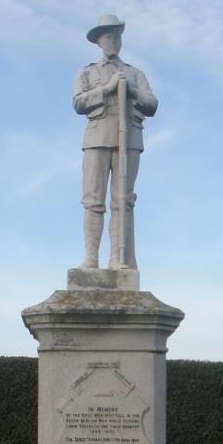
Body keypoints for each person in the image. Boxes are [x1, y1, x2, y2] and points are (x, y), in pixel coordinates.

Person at [73, 14, 157, 270]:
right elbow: (78, 102)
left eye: (117, 36)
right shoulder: (87, 72)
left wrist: (131, 90)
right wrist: (107, 88)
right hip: (97, 138)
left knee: (123, 201)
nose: (114, 41)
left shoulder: (134, 73)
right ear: (99, 41)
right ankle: (90, 259)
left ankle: (119, 260)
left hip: (129, 139)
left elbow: (152, 104)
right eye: (109, 36)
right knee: (92, 200)